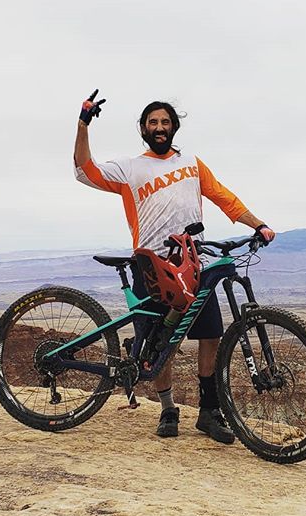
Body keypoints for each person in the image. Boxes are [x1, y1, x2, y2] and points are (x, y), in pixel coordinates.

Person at [73, 90, 275, 443]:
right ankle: (168, 409)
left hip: (193, 260)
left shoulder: (192, 164)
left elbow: (223, 197)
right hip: (152, 262)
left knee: (210, 334)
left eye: (165, 122)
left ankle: (209, 411)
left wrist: (257, 224)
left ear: (174, 127)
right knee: (158, 340)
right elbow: (83, 171)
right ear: (143, 129)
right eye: (153, 122)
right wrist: (83, 124)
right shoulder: (130, 168)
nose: (159, 127)